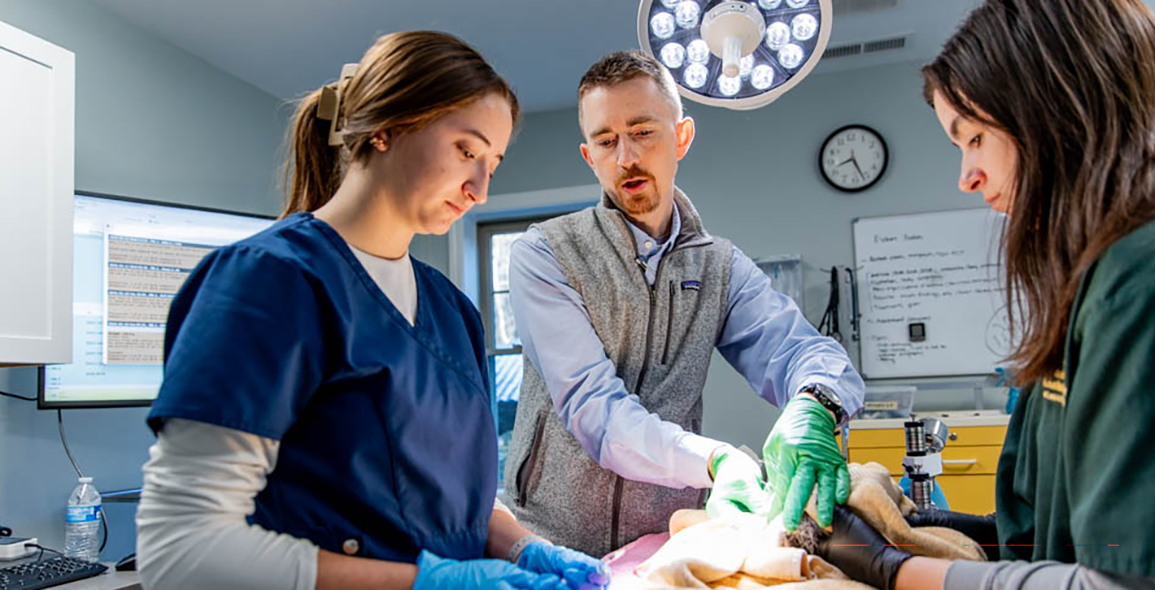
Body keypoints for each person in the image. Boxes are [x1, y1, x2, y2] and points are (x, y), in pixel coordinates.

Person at [135, 31, 608, 590]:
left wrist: (524, 546)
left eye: (493, 163)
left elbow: (454, 504)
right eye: (466, 151)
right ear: (385, 126)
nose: (479, 187)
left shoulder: (452, 310)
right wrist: (423, 583)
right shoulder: (270, 279)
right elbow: (181, 548)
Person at [811, 1, 1155, 589]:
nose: (966, 176)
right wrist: (912, 525)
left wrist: (894, 570)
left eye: (974, 137)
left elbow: (1135, 580)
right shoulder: (1090, 279)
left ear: (1058, 113)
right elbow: (1037, 536)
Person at [502, 50, 866, 558]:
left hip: (668, 539)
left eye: (643, 131)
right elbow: (596, 412)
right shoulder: (545, 254)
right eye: (606, 141)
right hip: (548, 541)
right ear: (590, 156)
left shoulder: (720, 268)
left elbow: (802, 351)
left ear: (681, 137)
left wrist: (816, 403)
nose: (625, 156)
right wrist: (716, 458)